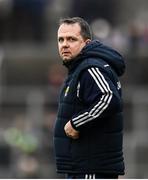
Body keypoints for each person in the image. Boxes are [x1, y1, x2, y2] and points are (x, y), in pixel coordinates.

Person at [53, 17, 125, 179]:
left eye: (71, 39)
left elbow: (108, 98)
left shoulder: (90, 68)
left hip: (90, 168)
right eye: (61, 39)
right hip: (82, 166)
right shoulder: (80, 68)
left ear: (86, 43)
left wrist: (75, 123)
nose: (64, 44)